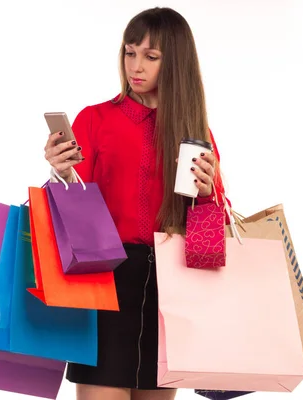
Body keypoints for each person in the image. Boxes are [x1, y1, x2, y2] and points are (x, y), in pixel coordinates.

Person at [43, 6, 226, 400]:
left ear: (174, 63)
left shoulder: (195, 132)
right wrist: (60, 174)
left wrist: (209, 196)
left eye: (150, 56)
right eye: (130, 53)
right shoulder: (95, 120)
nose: (135, 66)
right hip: (106, 283)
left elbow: (210, 242)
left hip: (169, 291)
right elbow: (73, 213)